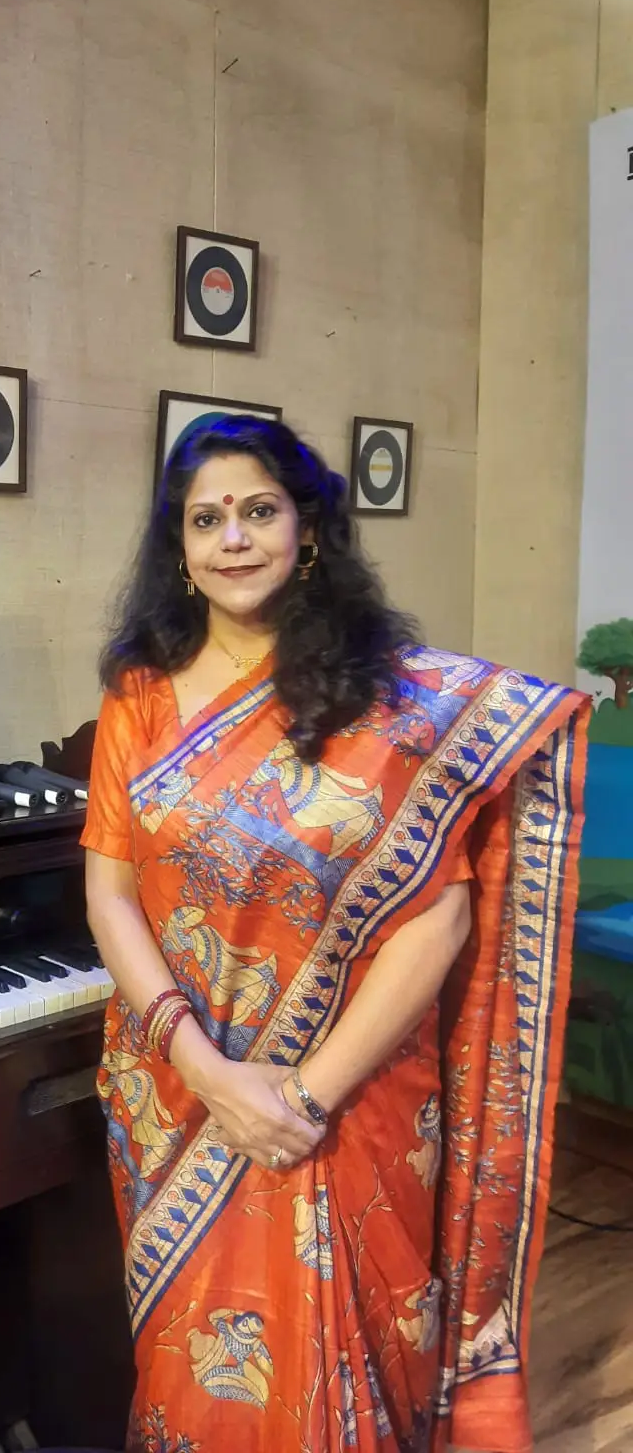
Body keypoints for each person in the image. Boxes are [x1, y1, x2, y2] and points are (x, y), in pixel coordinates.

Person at [82, 416, 587, 1453]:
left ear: (306, 530)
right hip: (177, 1083)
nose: (234, 538)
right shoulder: (137, 695)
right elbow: (111, 893)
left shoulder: (395, 694)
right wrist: (208, 1067)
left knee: (355, 1342)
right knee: (198, 1357)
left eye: (258, 511)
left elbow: (441, 909)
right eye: (206, 518)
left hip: (350, 1089)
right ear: (177, 547)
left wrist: (306, 1095)